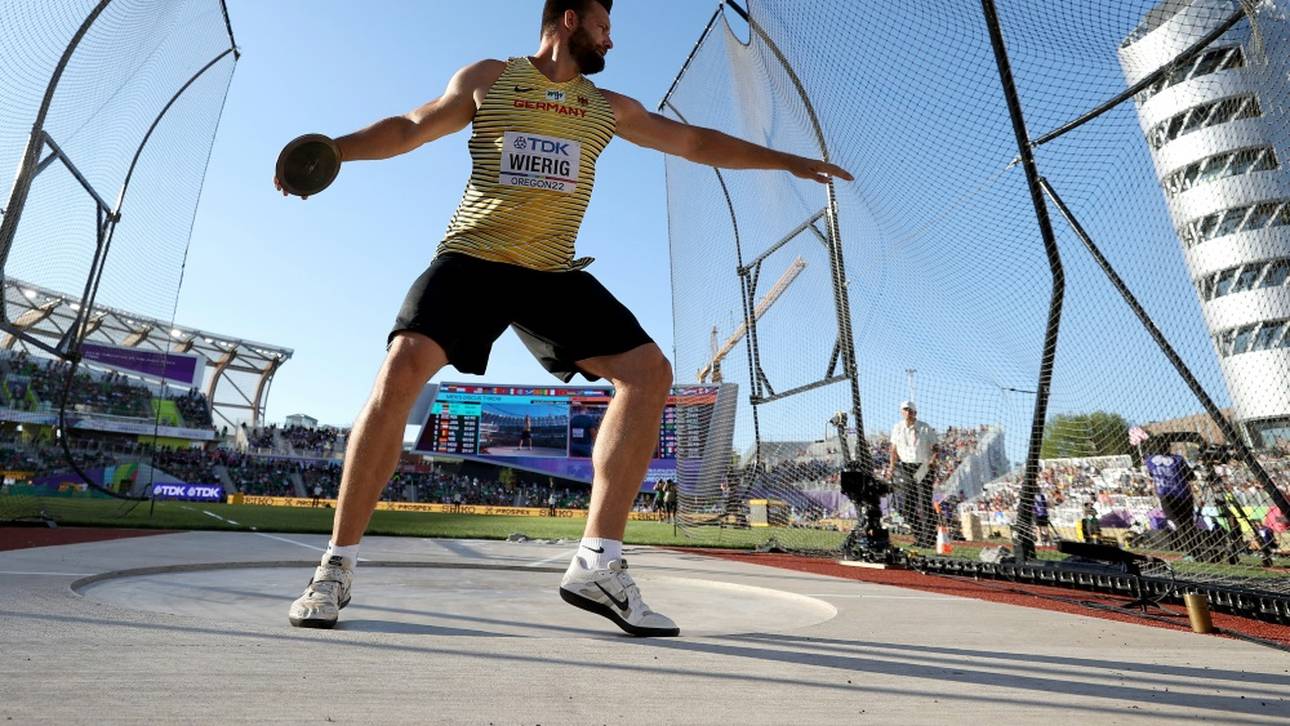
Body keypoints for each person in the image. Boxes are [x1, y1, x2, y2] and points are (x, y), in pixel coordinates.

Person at [281, 0, 851, 636]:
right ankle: (335, 567)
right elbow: (411, 126)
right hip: (472, 257)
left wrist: (787, 161)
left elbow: (693, 142)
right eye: (605, 26)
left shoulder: (606, 108)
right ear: (571, 21)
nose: (613, 40)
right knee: (402, 368)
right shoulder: (490, 79)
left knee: (649, 373)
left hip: (549, 270)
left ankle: (598, 562)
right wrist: (336, 148)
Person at [886, 401, 938, 548]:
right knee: (906, 506)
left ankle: (929, 539)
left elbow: (935, 447)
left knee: (924, 503)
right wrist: (891, 467)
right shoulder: (897, 428)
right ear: (901, 412)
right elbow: (893, 449)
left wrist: (933, 460)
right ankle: (919, 535)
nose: (907, 412)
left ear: (915, 412)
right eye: (905, 410)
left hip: (923, 467)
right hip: (905, 467)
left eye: (910, 410)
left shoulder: (924, 427)